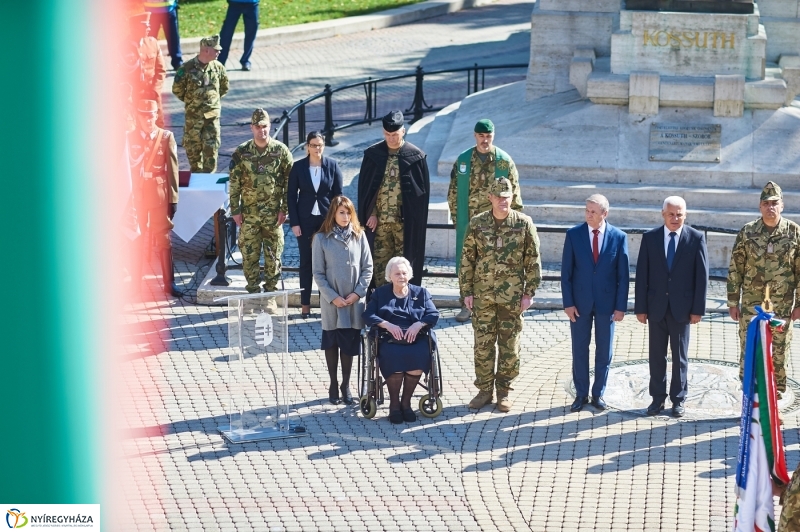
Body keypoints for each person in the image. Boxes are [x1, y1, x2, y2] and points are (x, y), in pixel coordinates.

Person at [460, 178, 541, 412]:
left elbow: (533, 260)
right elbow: (467, 259)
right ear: (490, 198)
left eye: (506, 196)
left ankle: (504, 392)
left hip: (512, 298)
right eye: (498, 196)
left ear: (512, 197)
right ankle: (484, 391)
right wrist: (467, 292)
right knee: (483, 345)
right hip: (483, 296)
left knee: (509, 346)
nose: (503, 201)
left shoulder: (523, 224)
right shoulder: (477, 223)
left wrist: (529, 293)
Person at [635, 196, 708, 417]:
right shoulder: (650, 238)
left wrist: (698, 310)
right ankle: (657, 399)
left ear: (685, 215)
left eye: (679, 214)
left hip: (682, 310)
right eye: (671, 214)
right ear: (663, 214)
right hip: (656, 307)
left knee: (679, 357)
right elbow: (641, 275)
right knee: (656, 356)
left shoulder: (695, 238)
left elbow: (701, 277)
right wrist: (640, 308)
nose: (675, 218)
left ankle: (678, 399)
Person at [728, 181, 800, 397]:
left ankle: (774, 399)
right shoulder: (748, 232)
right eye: (766, 203)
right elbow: (735, 268)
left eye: (775, 203)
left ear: (782, 205)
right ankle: (750, 396)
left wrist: (799, 304)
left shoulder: (794, 232)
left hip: (782, 306)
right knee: (750, 350)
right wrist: (733, 301)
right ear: (760, 206)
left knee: (778, 352)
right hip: (752, 305)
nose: (771, 207)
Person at [448, 118, 523, 323]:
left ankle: (495, 303)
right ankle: (466, 304)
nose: (484, 140)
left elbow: (514, 195)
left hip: (497, 224)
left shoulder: (504, 161)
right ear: (475, 136)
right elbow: (453, 193)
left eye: (488, 136)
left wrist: (513, 224)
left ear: (493, 136)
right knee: (467, 263)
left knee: (496, 263)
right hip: (469, 223)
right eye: (481, 136)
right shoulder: (463, 160)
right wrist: (458, 219)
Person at [561, 194, 629, 412]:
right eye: (586, 210)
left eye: (593, 211)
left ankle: (598, 394)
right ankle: (581, 394)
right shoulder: (573, 235)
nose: (588, 215)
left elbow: (623, 276)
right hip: (579, 304)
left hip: (607, 305)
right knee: (579, 349)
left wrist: (620, 307)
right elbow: (566, 273)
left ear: (604, 214)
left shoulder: (619, 237)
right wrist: (568, 303)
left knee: (604, 351)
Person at [357, 110, 430, 288]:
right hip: (379, 223)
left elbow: (421, 196)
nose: (391, 138)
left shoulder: (415, 157)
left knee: (404, 267)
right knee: (380, 266)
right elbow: (366, 191)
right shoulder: (373, 155)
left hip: (403, 225)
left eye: (395, 134)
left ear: (403, 131)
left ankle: (404, 304)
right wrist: (371, 213)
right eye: (388, 134)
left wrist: (411, 217)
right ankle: (382, 303)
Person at [312, 196, 373, 405]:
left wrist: (357, 294)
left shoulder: (360, 236)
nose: (345, 217)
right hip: (332, 303)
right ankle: (333, 382)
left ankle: (345, 385)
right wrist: (333, 297)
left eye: (348, 213)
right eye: (341, 213)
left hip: (354, 302)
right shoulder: (321, 239)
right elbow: (318, 274)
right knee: (332, 343)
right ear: (333, 214)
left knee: (349, 344)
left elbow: (368, 268)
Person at [363, 257, 440, 423]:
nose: (401, 276)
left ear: (410, 275)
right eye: (397, 273)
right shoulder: (380, 294)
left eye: (404, 273)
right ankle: (394, 405)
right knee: (392, 356)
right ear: (389, 275)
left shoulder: (421, 293)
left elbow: (433, 314)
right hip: (388, 338)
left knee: (420, 355)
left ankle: (406, 404)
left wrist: (418, 324)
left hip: (416, 337)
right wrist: (387, 325)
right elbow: (368, 315)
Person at [229, 108, 293, 294]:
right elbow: (234, 183)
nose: (261, 130)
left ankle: (271, 294)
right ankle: (253, 294)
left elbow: (290, 182)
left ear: (269, 126)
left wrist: (285, 208)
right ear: (251, 128)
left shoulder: (281, 151)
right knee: (249, 257)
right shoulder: (241, 152)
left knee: (273, 258)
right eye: (257, 127)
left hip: (273, 216)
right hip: (249, 215)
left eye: (264, 126)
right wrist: (235, 210)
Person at [288, 132, 344, 318]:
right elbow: (291, 197)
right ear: (307, 147)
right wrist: (294, 223)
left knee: (326, 263)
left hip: (325, 222)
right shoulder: (298, 167)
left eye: (320, 145)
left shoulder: (332, 166)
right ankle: (305, 305)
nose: (317, 149)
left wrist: (337, 221)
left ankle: (325, 304)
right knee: (306, 263)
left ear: (323, 145)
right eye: (313, 145)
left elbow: (338, 197)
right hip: (304, 221)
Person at [127, 100, 180, 296]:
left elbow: (173, 170)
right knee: (136, 238)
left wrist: (173, 198)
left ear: (156, 115)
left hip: (158, 195)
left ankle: (169, 283)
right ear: (138, 116)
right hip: (137, 196)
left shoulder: (165, 137)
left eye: (151, 115)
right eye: (144, 115)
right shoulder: (129, 138)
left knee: (164, 238)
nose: (148, 120)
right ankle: (135, 285)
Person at [172, 34, 229, 173]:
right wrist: (192, 103)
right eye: (216, 50)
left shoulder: (218, 67)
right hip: (193, 120)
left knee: (211, 152)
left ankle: (210, 183)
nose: (219, 52)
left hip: (211, 119)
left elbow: (224, 87)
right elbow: (177, 89)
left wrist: (212, 103)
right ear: (206, 50)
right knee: (193, 152)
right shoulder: (186, 68)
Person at [126, 12, 167, 128]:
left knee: (157, 126)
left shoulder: (153, 43)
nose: (149, 28)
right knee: (135, 127)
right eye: (145, 25)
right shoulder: (123, 47)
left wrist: (155, 90)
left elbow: (161, 70)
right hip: (134, 97)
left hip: (152, 95)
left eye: (149, 25)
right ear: (134, 27)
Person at [218, 0, 259, 71]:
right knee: (226, 34)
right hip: (234, 4)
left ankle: (245, 60)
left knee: (251, 33)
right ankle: (221, 62)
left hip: (252, 4)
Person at [144, 0, 183, 71]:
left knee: (173, 38)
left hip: (167, 8)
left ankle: (177, 62)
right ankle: (149, 64)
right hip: (153, 10)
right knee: (150, 40)